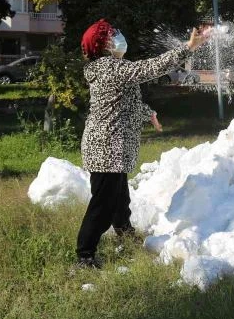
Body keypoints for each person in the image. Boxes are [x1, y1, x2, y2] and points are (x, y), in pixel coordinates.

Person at [75, 19, 208, 268]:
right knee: (103, 204)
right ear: (101, 44)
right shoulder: (108, 68)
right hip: (106, 147)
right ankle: (85, 255)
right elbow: (151, 68)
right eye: (112, 35)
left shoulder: (114, 68)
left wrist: (148, 113)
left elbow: (124, 102)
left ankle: (125, 233)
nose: (118, 38)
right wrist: (187, 47)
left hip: (114, 147)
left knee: (119, 198)